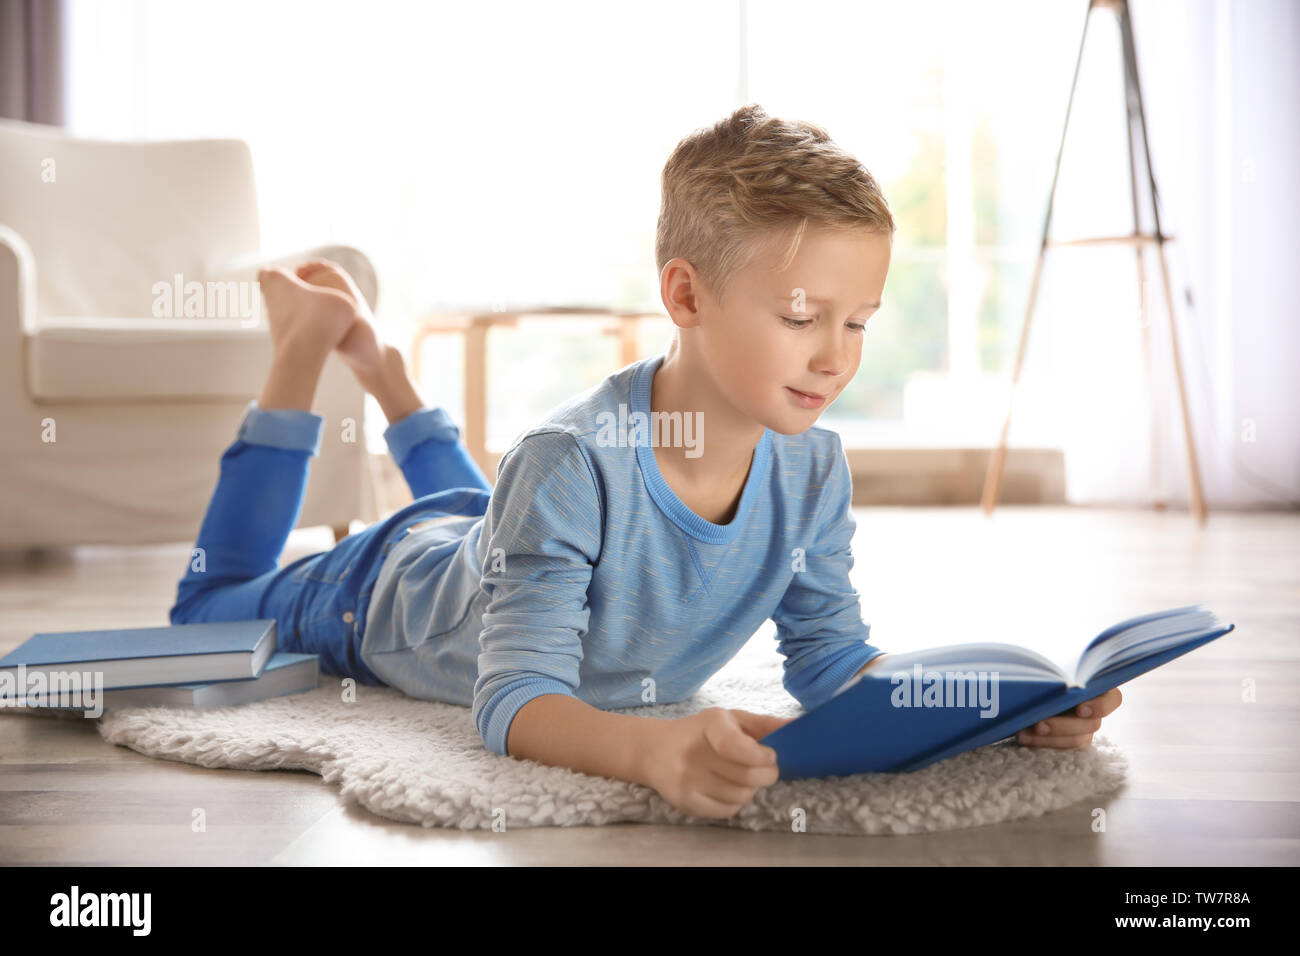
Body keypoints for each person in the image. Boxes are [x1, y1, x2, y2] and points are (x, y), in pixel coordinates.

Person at [171, 103, 1120, 820]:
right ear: (686, 294)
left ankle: (382, 368)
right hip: (381, 589)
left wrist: (998, 711)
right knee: (209, 607)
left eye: (858, 322)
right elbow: (512, 700)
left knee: (484, 516)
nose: (837, 356)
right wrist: (653, 753)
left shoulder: (814, 468)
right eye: (801, 318)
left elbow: (829, 659)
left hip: (486, 540)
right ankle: (306, 348)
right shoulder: (569, 465)